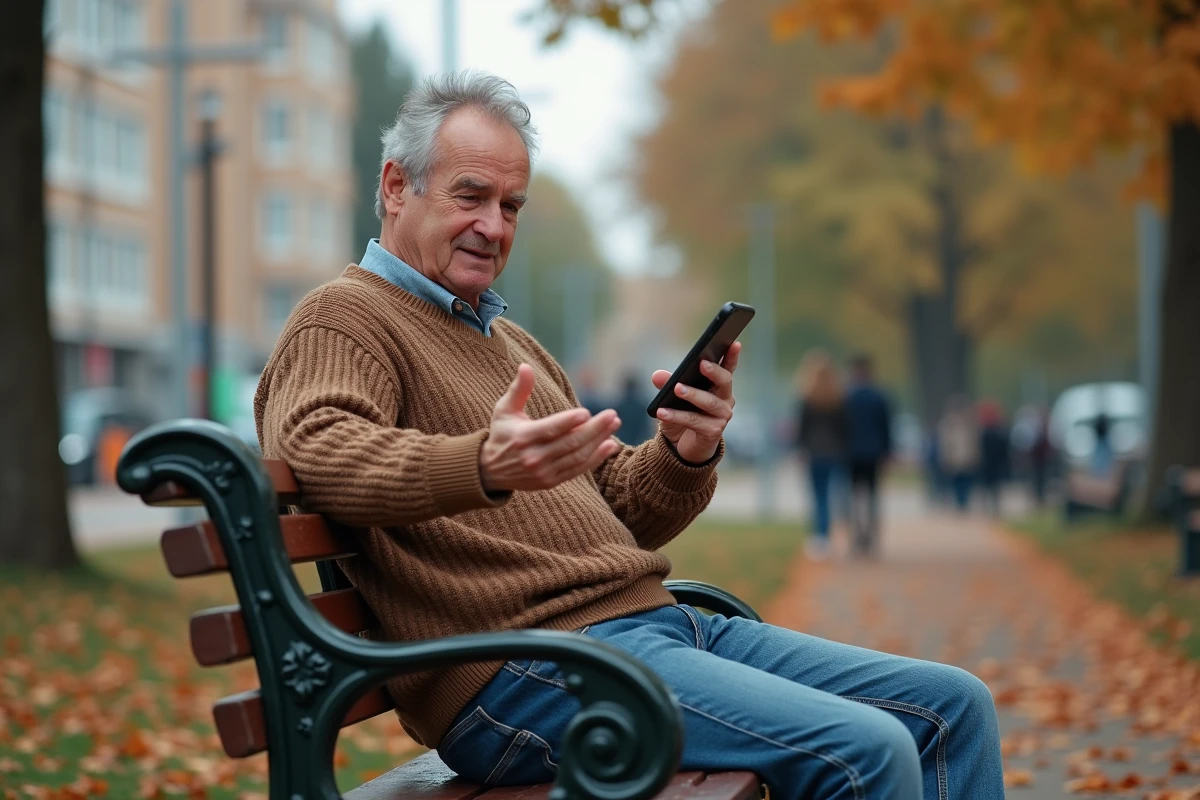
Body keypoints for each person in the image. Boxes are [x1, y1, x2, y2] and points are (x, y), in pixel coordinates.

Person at [254, 71, 1002, 799]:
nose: (494, 226)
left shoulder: (510, 342)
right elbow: (319, 450)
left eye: (511, 205)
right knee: (864, 751)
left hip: (650, 630)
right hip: (528, 670)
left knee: (953, 707)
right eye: (471, 197)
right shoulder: (344, 316)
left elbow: (620, 512)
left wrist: (685, 451)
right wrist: (481, 461)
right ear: (394, 187)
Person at [794, 350, 848, 560]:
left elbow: (802, 428)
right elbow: (845, 429)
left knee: (817, 496)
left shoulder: (807, 396)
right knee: (830, 495)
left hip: (813, 453)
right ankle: (825, 534)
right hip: (833, 453)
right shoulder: (839, 397)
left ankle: (820, 537)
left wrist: (800, 449)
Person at [844, 354, 892, 557]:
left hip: (851, 452)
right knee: (872, 496)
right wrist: (887, 451)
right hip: (873, 452)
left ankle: (858, 535)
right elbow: (886, 427)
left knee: (854, 496)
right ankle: (871, 535)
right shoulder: (879, 396)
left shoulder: (847, 396)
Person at [938, 396, 980, 513]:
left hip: (967, 457)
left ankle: (964, 501)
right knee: (957, 482)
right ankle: (960, 503)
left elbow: (974, 442)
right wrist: (946, 457)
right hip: (954, 458)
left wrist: (975, 456)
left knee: (967, 481)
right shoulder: (948, 424)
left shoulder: (970, 423)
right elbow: (944, 443)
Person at [977, 400, 1010, 517]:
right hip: (986, 464)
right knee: (987, 486)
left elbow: (1004, 448)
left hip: (995, 464)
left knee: (995, 487)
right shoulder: (983, 431)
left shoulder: (999, 431)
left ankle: (994, 507)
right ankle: (987, 507)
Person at [612, 372, 653, 445]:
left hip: (623, 441)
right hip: (638, 441)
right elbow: (644, 427)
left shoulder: (620, 405)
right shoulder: (642, 405)